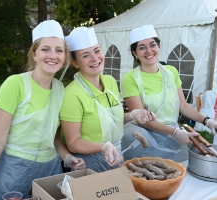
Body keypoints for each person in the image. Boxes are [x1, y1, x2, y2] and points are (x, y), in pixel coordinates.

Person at [0, 20, 86, 200]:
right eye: (45, 49)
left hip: (50, 170)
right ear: (34, 53)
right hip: (14, 170)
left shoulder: (60, 89)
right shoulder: (15, 84)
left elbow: (53, 137)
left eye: (59, 50)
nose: (53, 55)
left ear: (65, 56)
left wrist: (68, 158)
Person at [121, 25, 217, 162]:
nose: (149, 51)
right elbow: (142, 120)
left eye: (153, 45)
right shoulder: (130, 78)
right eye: (141, 47)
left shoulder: (171, 72)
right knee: (151, 175)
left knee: (180, 173)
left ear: (159, 47)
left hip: (174, 134)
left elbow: (183, 105)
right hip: (145, 137)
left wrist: (207, 120)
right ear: (135, 53)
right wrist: (174, 132)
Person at [60, 27, 155, 172]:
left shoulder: (110, 82)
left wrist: (133, 115)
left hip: (116, 153)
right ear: (75, 62)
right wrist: (103, 146)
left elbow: (111, 119)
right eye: (86, 55)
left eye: (97, 51)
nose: (95, 58)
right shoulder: (71, 94)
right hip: (89, 162)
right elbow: (73, 142)